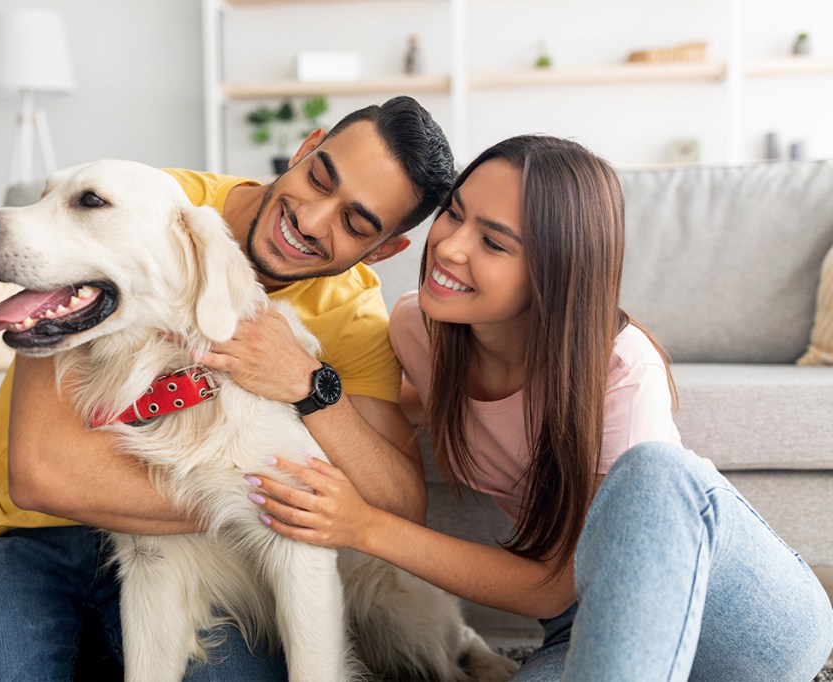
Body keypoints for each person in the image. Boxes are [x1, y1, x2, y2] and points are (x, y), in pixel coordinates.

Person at [0, 96, 456, 681]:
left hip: (202, 550)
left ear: (382, 251)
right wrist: (273, 505)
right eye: (320, 177)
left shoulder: (351, 312)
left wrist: (309, 384)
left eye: (355, 223)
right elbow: (43, 476)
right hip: (30, 530)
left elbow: (397, 507)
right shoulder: (146, 201)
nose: (312, 219)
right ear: (305, 148)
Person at [248, 135, 833, 681]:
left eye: (494, 242)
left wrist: (365, 526)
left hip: (735, 627)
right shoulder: (420, 331)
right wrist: (298, 376)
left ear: (554, 271)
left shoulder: (622, 369)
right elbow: (379, 416)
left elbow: (554, 583)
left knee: (655, 473)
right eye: (454, 213)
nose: (448, 247)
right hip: (580, 631)